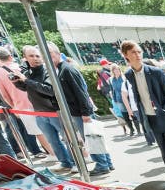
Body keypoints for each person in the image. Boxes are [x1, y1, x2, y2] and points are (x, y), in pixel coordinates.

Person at [121, 40, 165, 184]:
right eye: (134, 52)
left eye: (139, 51)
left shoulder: (155, 72)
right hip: (151, 119)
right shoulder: (128, 75)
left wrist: (164, 110)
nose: (138, 55)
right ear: (126, 55)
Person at [46, 42, 114, 176]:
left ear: (58, 54)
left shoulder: (67, 69)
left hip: (81, 112)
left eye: (50, 54)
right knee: (94, 137)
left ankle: (102, 164)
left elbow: (81, 92)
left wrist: (85, 112)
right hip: (79, 111)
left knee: (91, 138)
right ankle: (106, 163)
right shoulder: (63, 69)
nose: (47, 58)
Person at [12, 45, 79, 173]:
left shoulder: (48, 70)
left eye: (37, 55)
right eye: (31, 56)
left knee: (68, 139)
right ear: (25, 58)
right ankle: (65, 162)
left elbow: (50, 90)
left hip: (55, 111)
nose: (36, 59)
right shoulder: (27, 72)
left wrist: (26, 80)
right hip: (39, 112)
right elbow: (27, 88)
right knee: (52, 141)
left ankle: (77, 162)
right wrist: (17, 82)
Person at [0, 46, 50, 161]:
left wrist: (13, 106)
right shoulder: (22, 65)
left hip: (21, 105)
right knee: (48, 128)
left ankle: (53, 153)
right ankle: (57, 153)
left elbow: (3, 93)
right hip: (38, 100)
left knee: (38, 131)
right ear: (10, 55)